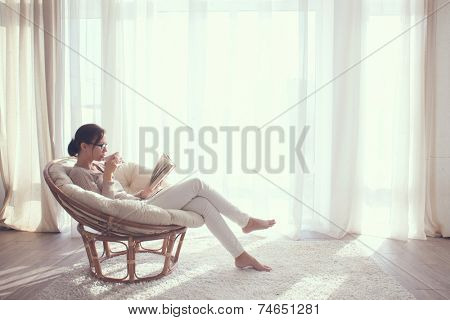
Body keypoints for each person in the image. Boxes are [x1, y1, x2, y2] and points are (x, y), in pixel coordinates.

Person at [68, 124, 276, 271]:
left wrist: (144, 193)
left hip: (137, 204)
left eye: (106, 144)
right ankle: (246, 221)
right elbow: (104, 207)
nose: (106, 149)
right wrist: (109, 174)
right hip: (128, 216)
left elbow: (119, 196)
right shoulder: (79, 173)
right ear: (84, 146)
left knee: (203, 203)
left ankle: (240, 255)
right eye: (101, 145)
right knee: (197, 183)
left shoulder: (96, 166)